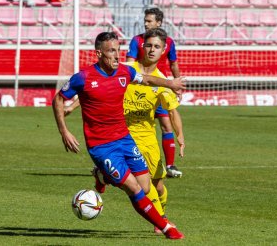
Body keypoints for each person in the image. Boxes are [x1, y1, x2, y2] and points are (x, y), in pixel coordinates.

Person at [53, 32, 185, 239]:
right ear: (98, 53)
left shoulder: (124, 72)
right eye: (111, 51)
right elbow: (58, 100)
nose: (117, 56)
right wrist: (64, 131)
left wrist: (171, 84)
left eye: (118, 50)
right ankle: (166, 227)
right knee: (134, 189)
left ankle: (102, 176)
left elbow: (147, 80)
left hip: (125, 139)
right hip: (101, 146)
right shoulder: (83, 77)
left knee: (145, 186)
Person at [124, 28, 185, 234]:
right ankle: (161, 223)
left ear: (163, 51)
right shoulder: (126, 69)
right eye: (149, 45)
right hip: (122, 135)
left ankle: (162, 214)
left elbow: (173, 111)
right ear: (142, 46)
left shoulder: (163, 82)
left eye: (157, 47)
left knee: (158, 186)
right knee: (142, 185)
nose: (152, 49)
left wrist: (180, 136)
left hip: (147, 138)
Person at [126, 8, 182, 178]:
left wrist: (175, 84)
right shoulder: (137, 40)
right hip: (141, 87)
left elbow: (173, 64)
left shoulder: (169, 42)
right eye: (145, 20)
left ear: (158, 22)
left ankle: (170, 165)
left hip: (161, 89)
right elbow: (130, 65)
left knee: (166, 124)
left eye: (149, 21)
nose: (146, 23)